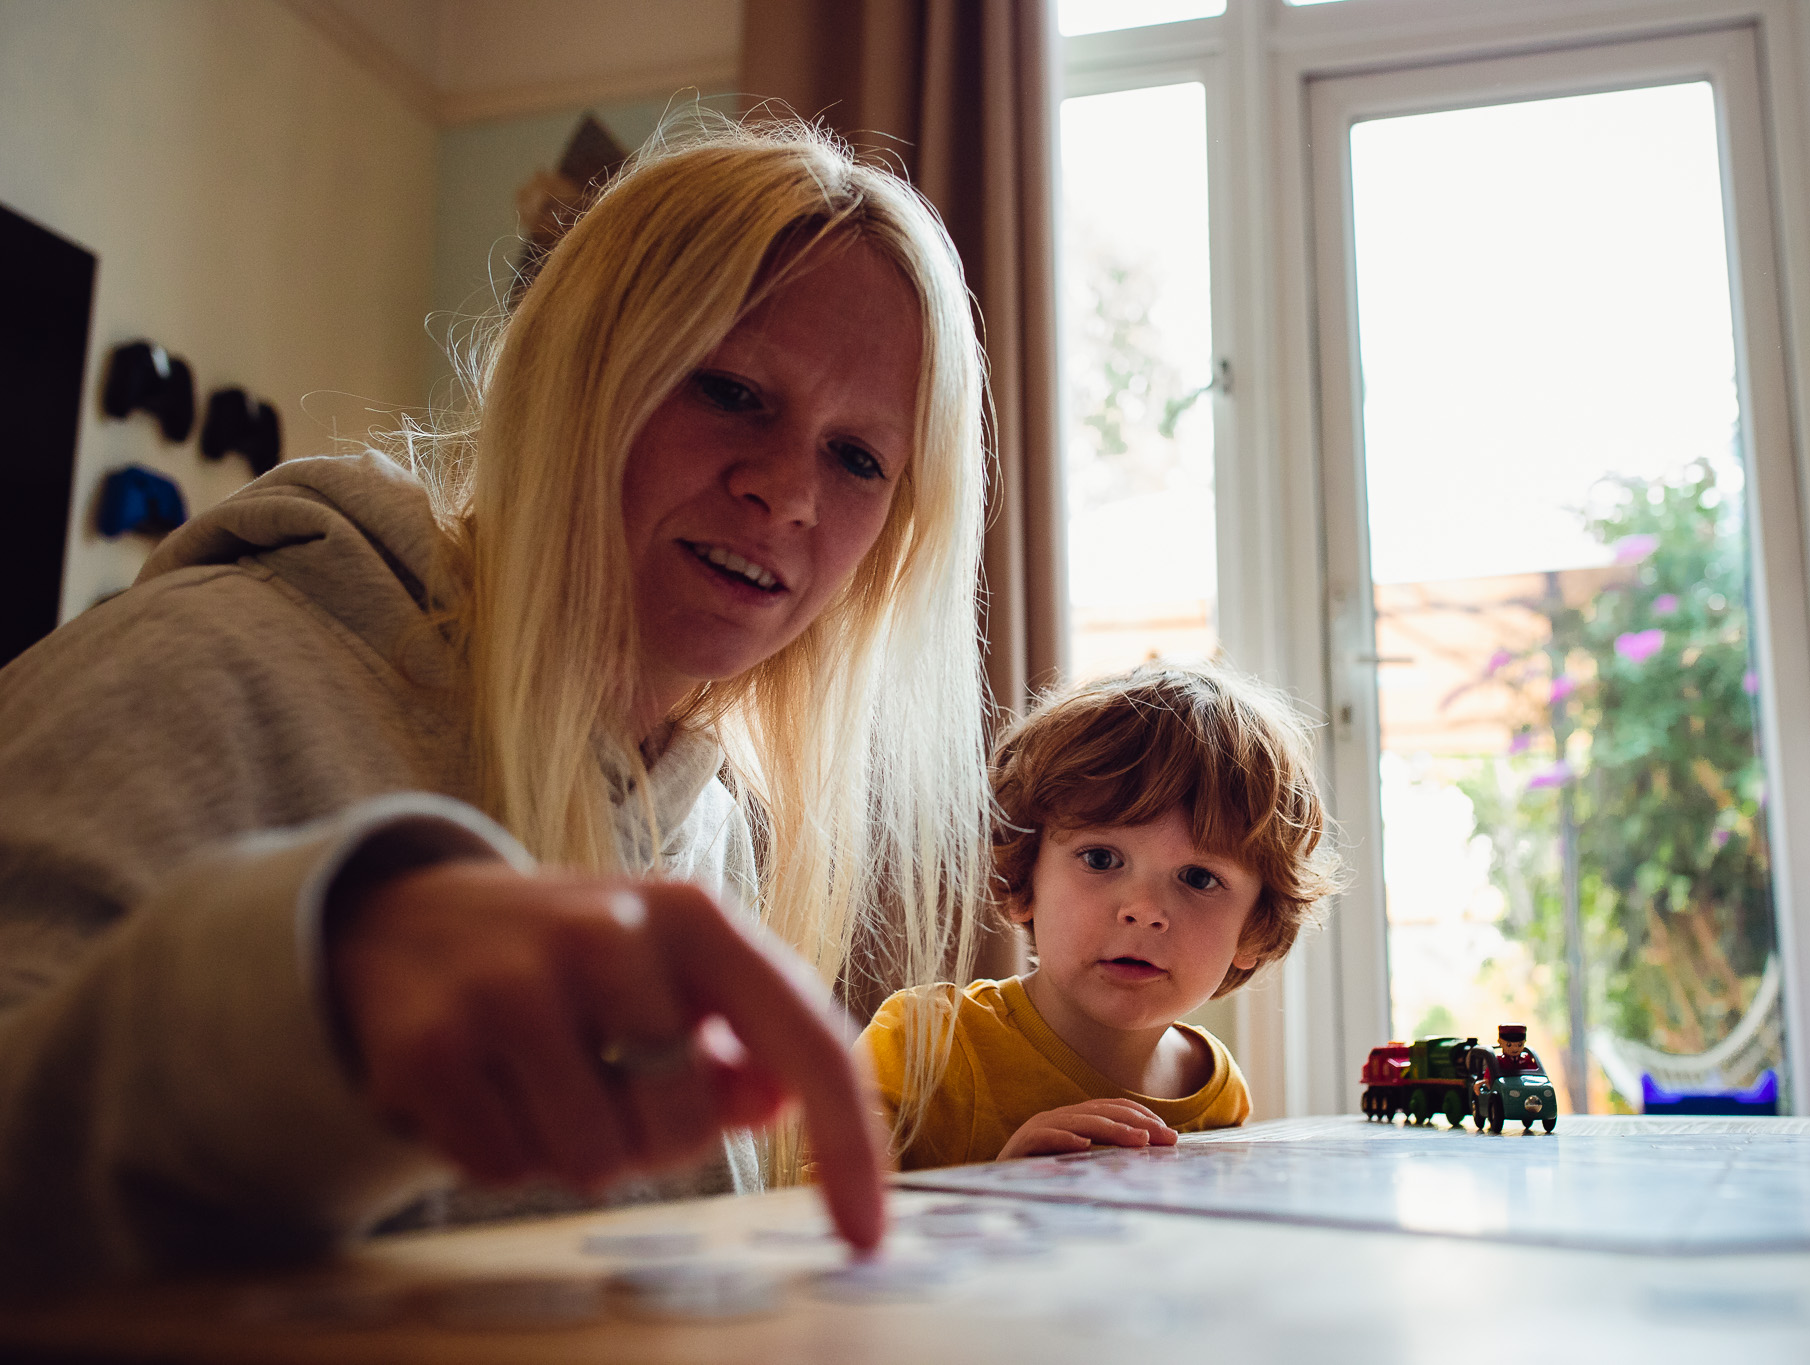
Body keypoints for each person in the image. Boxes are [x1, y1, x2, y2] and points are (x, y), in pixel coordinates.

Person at [0, 118, 990, 1285]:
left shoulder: (713, 827)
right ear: (578, 370)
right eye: (728, 391)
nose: (783, 493)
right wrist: (310, 999)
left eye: (859, 460)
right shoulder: (203, 664)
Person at [860, 664, 1343, 1171]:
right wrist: (997, 1191)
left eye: (1199, 878)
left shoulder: (1217, 1090)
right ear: (1025, 879)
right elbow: (806, 1221)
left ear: (1254, 928)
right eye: (1101, 859)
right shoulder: (922, 1045)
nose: (1144, 911)